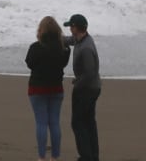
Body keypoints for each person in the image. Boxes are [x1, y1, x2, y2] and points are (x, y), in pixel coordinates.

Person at [25, 15, 71, 159]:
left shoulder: (36, 47)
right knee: (54, 123)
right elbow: (63, 64)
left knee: (41, 123)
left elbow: (29, 63)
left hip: (37, 89)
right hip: (56, 88)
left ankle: (41, 157)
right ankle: (55, 157)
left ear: (41, 31)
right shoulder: (64, 49)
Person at [64, 13, 101, 161]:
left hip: (87, 89)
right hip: (90, 87)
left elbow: (90, 72)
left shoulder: (86, 47)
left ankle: (86, 156)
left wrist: (77, 82)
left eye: (70, 26)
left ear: (76, 28)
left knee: (78, 123)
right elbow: (69, 40)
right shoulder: (81, 38)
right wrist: (55, 39)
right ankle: (93, 156)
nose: (69, 29)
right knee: (89, 122)